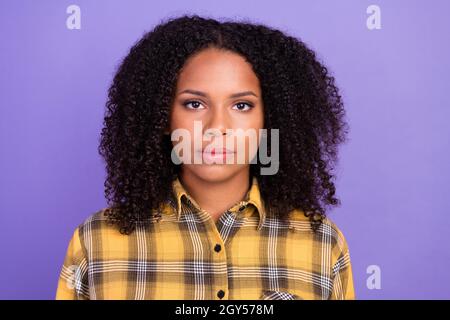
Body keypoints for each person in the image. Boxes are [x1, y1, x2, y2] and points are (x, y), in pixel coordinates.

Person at [55, 14, 354, 300]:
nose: (216, 128)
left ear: (269, 120)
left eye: (242, 106)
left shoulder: (322, 244)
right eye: (195, 104)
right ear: (162, 117)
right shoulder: (95, 243)